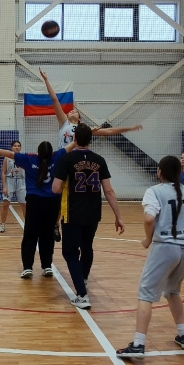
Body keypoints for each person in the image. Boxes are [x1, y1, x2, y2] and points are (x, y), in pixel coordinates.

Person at [115, 156, 184, 358]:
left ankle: (138, 344)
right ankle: (183, 335)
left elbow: (149, 218)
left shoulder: (154, 191)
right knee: (172, 291)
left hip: (166, 246)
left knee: (146, 293)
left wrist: (148, 239)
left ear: (160, 172)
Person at [39, 68, 142, 241]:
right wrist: (46, 80)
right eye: (70, 111)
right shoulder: (63, 123)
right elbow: (55, 99)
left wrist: (129, 128)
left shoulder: (85, 129)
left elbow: (108, 132)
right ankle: (56, 224)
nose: (72, 111)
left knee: (75, 195)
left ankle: (72, 222)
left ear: (79, 119)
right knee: (57, 193)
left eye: (75, 111)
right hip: (63, 160)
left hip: (79, 163)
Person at [52, 124, 125, 310]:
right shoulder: (99, 160)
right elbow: (108, 190)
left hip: (72, 213)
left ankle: (82, 295)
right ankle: (82, 280)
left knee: (70, 252)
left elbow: (56, 188)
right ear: (90, 139)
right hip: (93, 213)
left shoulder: (67, 159)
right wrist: (118, 216)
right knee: (87, 247)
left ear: (74, 138)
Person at [0, 139, 75, 278]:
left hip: (34, 201)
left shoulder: (29, 159)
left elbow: (8, 154)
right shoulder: (56, 157)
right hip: (52, 202)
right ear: (51, 152)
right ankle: (47, 266)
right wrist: (87, 133)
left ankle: (27, 267)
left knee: (30, 235)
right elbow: (71, 145)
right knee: (47, 235)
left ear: (38, 152)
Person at [0, 140, 26, 233]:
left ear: (20, 148)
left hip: (21, 181)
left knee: (24, 204)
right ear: (11, 147)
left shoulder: (24, 157)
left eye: (18, 146)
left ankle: (28, 225)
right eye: (15, 146)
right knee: (5, 204)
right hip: (9, 180)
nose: (17, 147)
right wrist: (4, 186)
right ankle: (2, 224)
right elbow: (3, 172)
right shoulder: (7, 158)